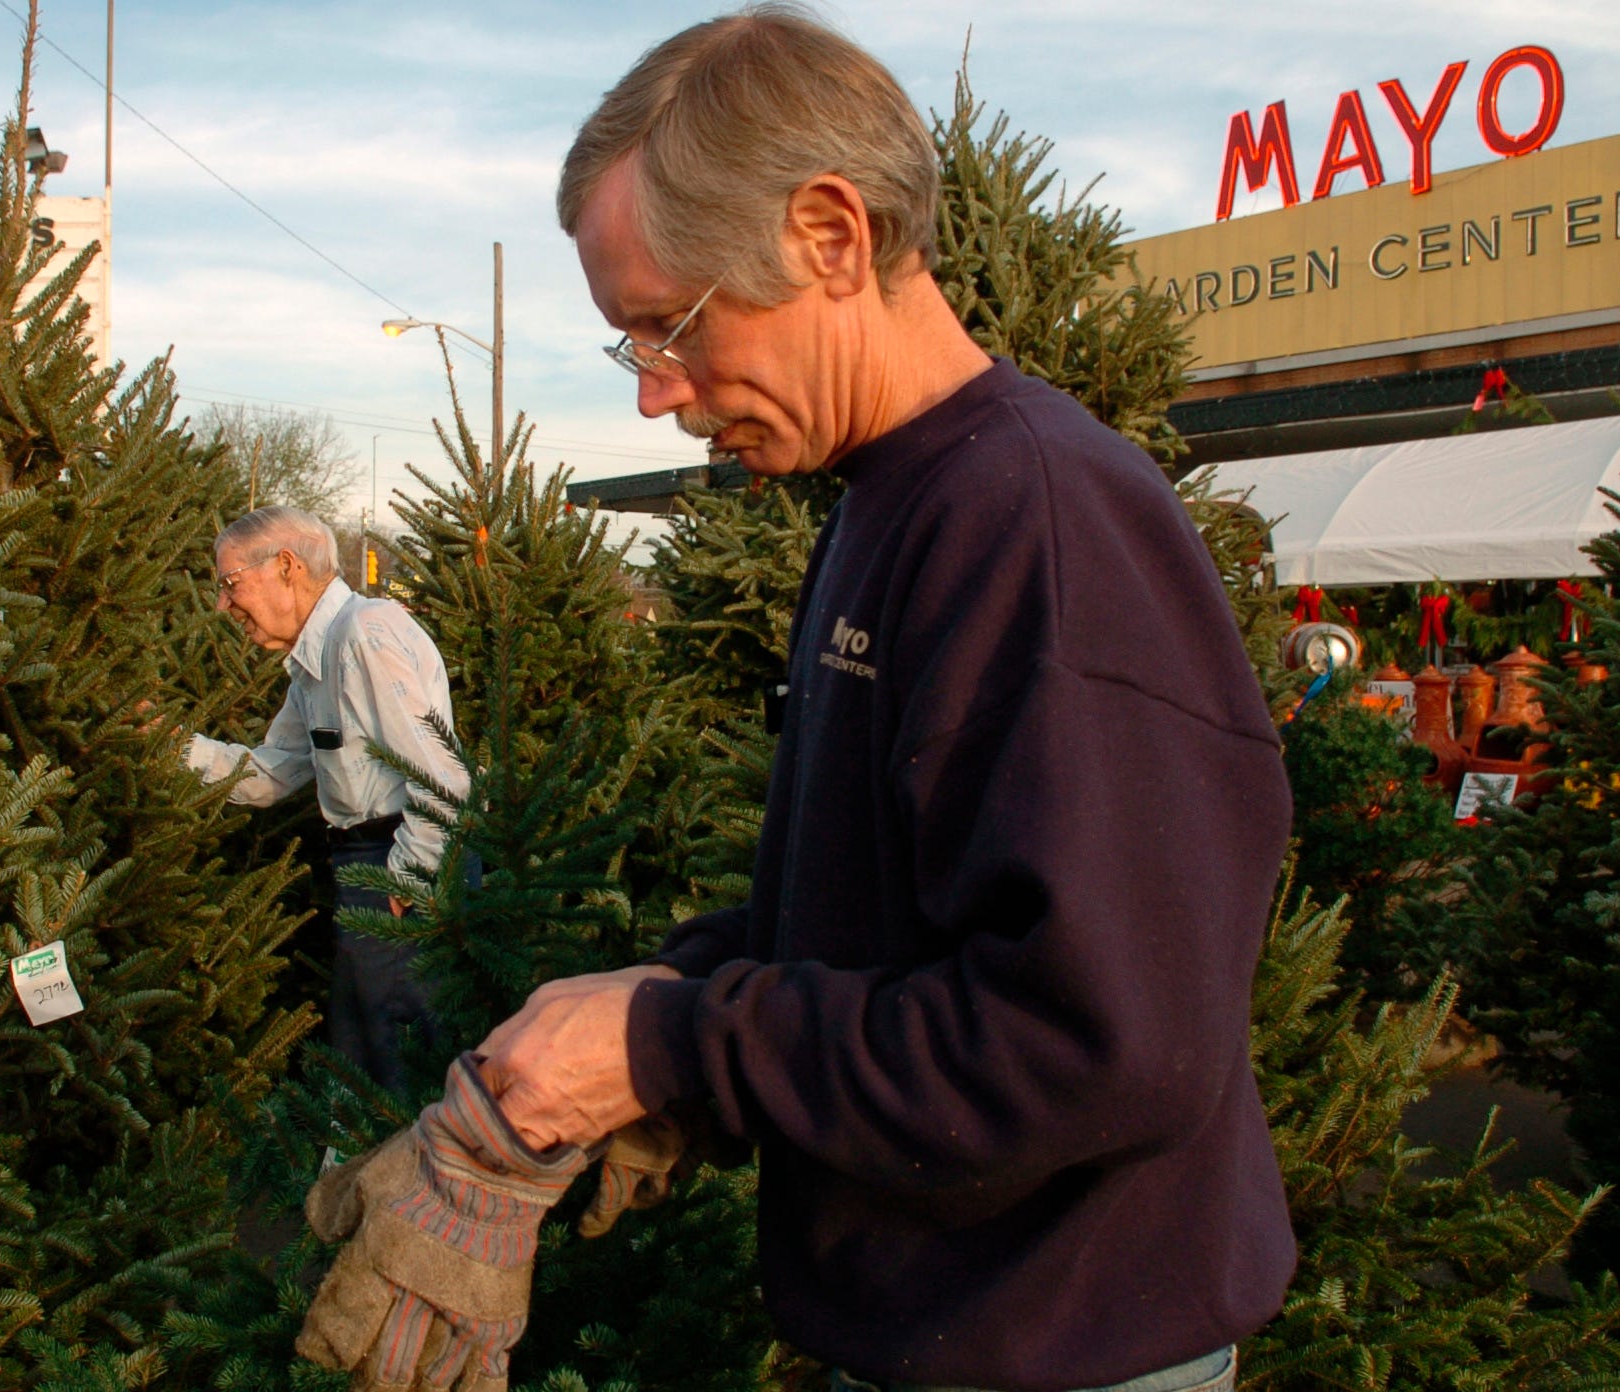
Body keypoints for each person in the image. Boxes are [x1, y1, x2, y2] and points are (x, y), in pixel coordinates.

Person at [473, 8, 1295, 1392]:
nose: (656, 396)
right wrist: (658, 1000)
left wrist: (681, 1045)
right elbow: (886, 921)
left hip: (1060, 1351)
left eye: (663, 328)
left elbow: (1096, 1039)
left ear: (832, 237)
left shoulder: (1031, 518)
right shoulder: (888, 502)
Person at [184, 505, 469, 1092]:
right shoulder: (313, 663)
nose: (223, 604)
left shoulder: (364, 634)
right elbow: (271, 771)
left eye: (230, 583)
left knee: (398, 1066)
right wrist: (171, 748)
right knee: (365, 1051)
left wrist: (403, 888)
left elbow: (443, 779)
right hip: (367, 865)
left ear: (286, 567)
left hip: (401, 864)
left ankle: (401, 1182)